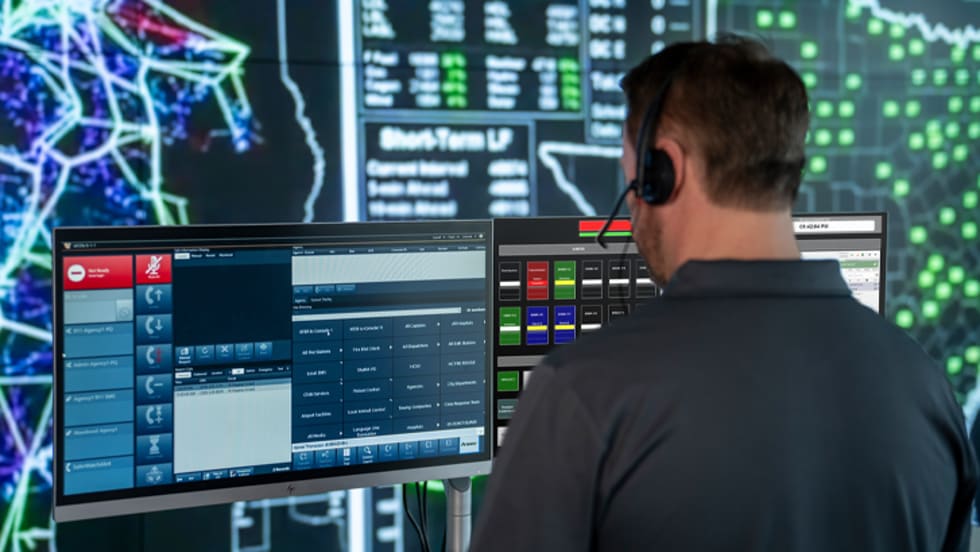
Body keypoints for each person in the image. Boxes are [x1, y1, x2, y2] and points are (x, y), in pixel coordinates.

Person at [471, 36, 977, 551]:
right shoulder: (925, 386)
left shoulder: (584, 394)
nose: (631, 214)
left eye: (631, 184)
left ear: (666, 171)